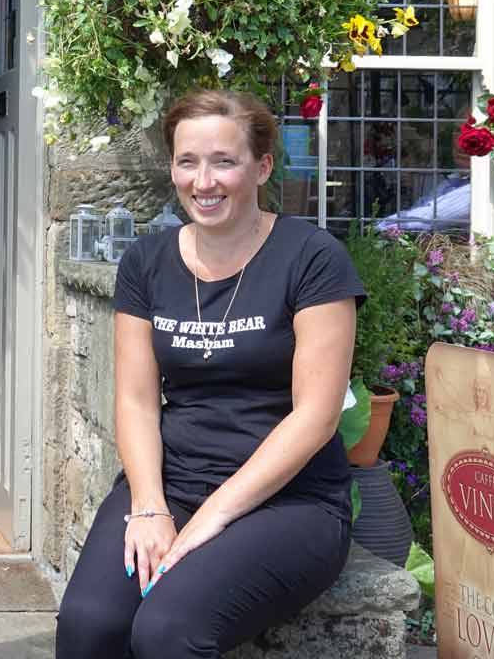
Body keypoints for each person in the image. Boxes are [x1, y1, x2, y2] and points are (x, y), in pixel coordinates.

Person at [55, 89, 365, 659]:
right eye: (187, 162)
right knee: (88, 624)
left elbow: (317, 416)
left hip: (288, 501)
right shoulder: (146, 262)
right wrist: (150, 506)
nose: (204, 182)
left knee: (168, 631)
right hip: (172, 483)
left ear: (262, 165)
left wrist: (210, 518)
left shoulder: (313, 258)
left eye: (224, 161)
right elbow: (136, 402)